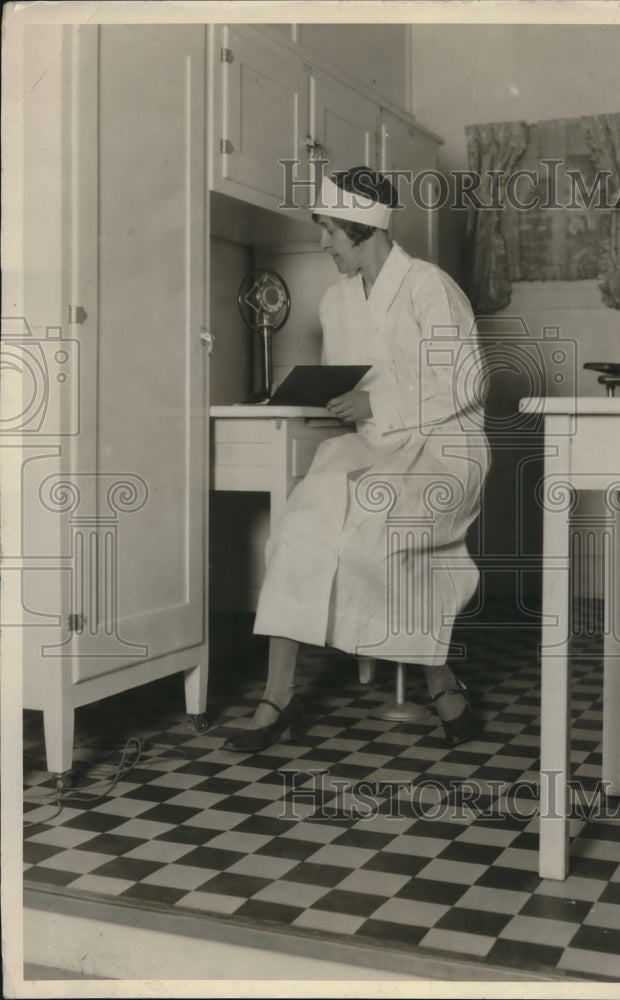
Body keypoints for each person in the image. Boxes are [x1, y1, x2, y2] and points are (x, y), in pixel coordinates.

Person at [223, 167, 490, 753]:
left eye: (328, 232)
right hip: (372, 443)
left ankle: (442, 682)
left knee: (378, 531)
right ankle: (278, 694)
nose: (322, 245)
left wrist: (377, 400)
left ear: (362, 228)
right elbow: (345, 383)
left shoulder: (429, 286)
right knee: (300, 527)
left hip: (444, 449)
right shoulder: (336, 300)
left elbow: (468, 382)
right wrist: (314, 398)